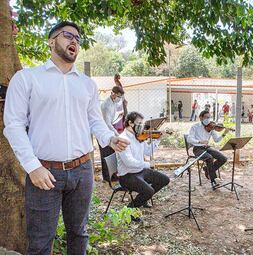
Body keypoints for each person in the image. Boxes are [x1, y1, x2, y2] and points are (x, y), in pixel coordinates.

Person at [3, 21, 129, 255]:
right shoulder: (27, 79)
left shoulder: (86, 84)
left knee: (79, 233)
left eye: (78, 39)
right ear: (51, 41)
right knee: (40, 242)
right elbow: (13, 125)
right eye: (68, 35)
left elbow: (94, 121)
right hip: (44, 173)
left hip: (82, 171)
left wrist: (110, 138)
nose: (74, 41)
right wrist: (33, 167)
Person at [116, 112, 170, 218]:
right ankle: (130, 211)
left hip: (140, 171)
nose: (142, 126)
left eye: (142, 123)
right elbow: (129, 162)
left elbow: (148, 151)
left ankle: (143, 198)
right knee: (149, 191)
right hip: (127, 175)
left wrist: (158, 140)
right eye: (139, 123)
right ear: (130, 123)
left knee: (164, 180)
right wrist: (147, 164)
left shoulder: (138, 136)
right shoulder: (123, 139)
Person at [187, 110, 229, 188]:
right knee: (209, 157)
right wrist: (199, 141)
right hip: (197, 149)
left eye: (209, 117)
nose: (208, 119)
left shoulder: (211, 127)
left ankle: (207, 170)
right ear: (200, 118)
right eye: (206, 117)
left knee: (223, 158)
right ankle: (214, 181)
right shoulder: (195, 127)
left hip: (206, 148)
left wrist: (224, 133)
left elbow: (216, 140)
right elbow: (189, 139)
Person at [99, 85, 125, 181]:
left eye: (121, 97)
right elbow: (107, 124)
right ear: (113, 94)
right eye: (119, 96)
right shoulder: (107, 105)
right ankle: (107, 177)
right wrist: (117, 134)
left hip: (109, 130)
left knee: (111, 153)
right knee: (106, 154)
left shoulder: (113, 103)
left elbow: (111, 120)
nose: (120, 99)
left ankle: (113, 175)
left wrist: (119, 117)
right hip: (103, 132)